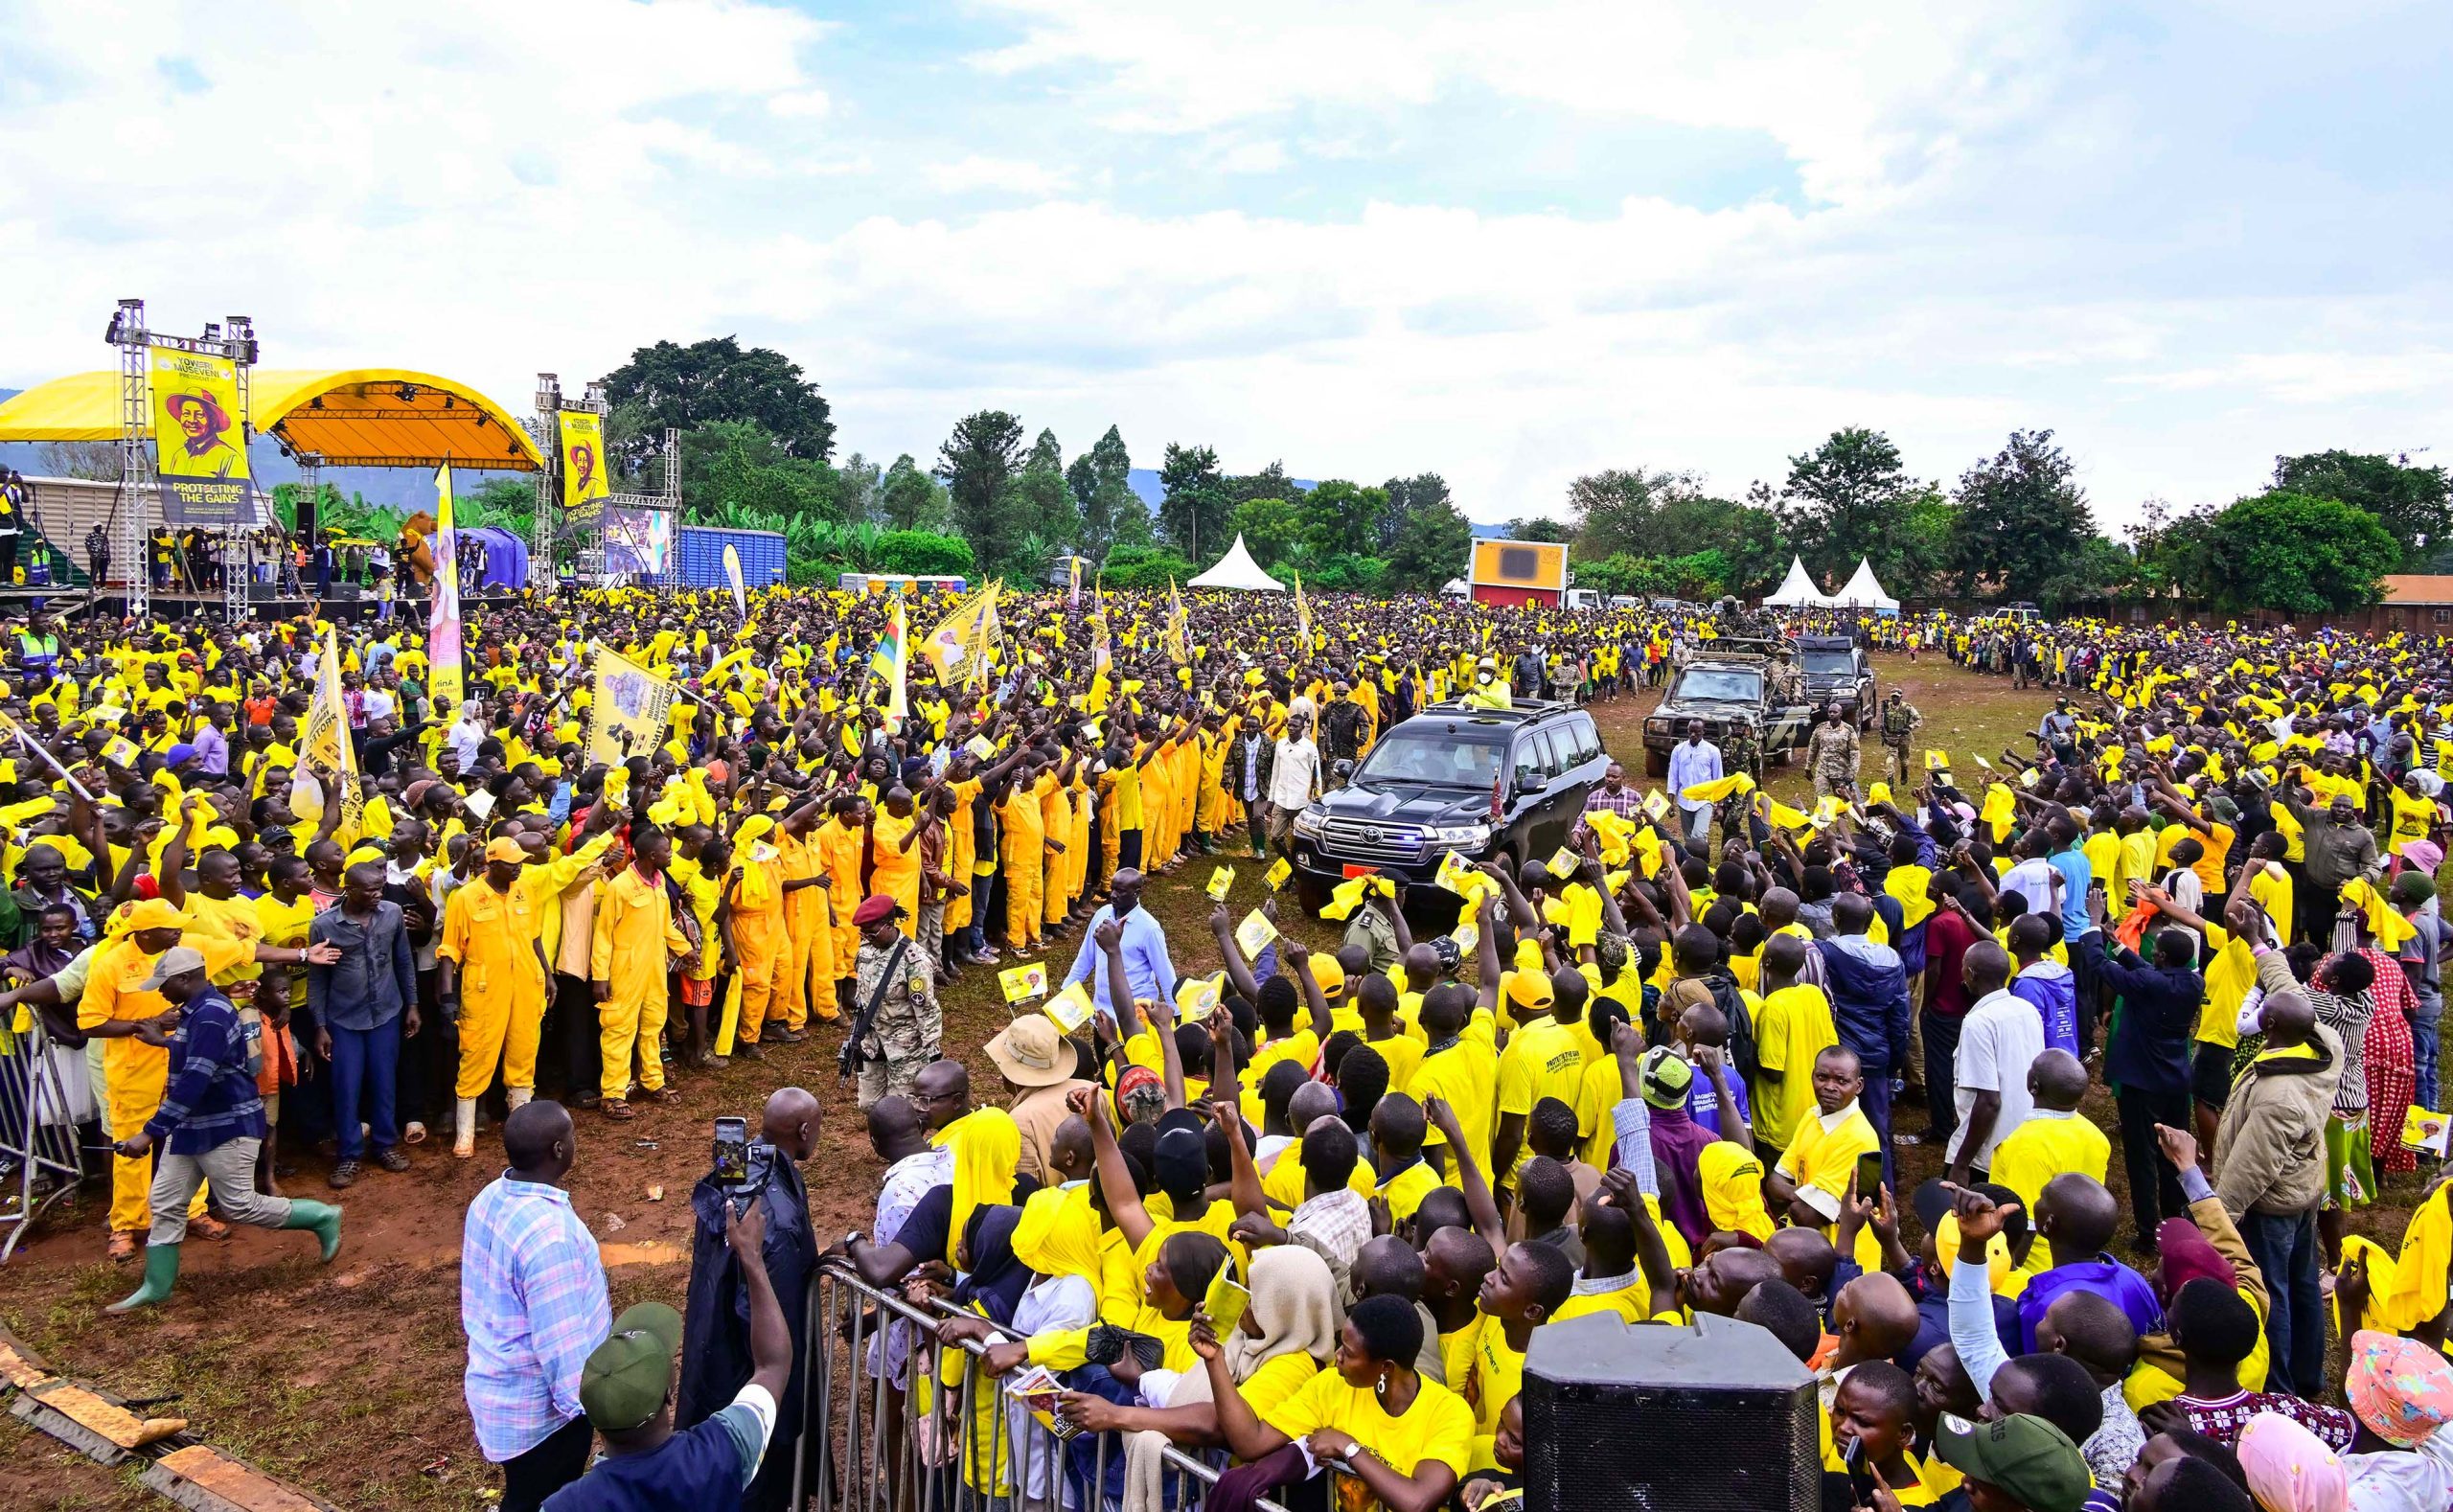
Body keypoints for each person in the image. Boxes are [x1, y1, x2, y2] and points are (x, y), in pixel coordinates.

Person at [103, 947, 344, 1313]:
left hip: (226, 1124)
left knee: (240, 1205)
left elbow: (195, 1080)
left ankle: (322, 1217)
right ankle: (156, 1286)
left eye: (164, 985)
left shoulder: (212, 1015)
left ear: (185, 979)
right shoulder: (195, 1011)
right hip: (192, 1126)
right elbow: (206, 1058)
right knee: (166, 1203)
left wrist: (149, 1133)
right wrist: (163, 1042)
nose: (161, 992)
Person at [544, 1197, 789, 1510]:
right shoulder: (720, 1451)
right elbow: (773, 1365)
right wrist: (752, 1258)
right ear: (669, 1394)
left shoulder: (566, 1506)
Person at [675, 1088, 818, 1512]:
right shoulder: (780, 1223)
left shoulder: (736, 1164)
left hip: (712, 1347)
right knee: (756, 1475)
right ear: (805, 1130)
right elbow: (775, 1321)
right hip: (750, 1373)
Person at [463, 1100, 610, 1512]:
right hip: (544, 1419)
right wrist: (590, 1413)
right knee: (543, 1500)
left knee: (528, 1495)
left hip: (500, 1388)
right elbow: (560, 1347)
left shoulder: (490, 1196)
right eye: (572, 1136)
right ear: (559, 1150)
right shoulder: (550, 1238)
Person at [306, 859, 419, 1188]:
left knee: (385, 1082)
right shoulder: (324, 925)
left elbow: (403, 961)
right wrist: (320, 1025)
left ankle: (385, 1144)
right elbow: (317, 981)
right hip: (343, 1019)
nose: (377, 895)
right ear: (349, 890)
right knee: (346, 1087)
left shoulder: (391, 914)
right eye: (370, 890)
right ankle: (350, 1154)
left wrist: (412, 1005)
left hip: (386, 1012)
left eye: (380, 889)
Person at [1666, 721, 1722, 848]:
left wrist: (1720, 805)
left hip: (1704, 800)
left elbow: (1718, 779)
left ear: (1703, 732)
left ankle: (1702, 860)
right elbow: (1673, 777)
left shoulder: (1712, 751)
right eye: (1690, 731)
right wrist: (1670, 802)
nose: (1692, 735)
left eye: (1696, 732)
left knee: (1699, 835)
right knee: (1688, 837)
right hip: (1684, 801)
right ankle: (1692, 864)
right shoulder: (1678, 750)